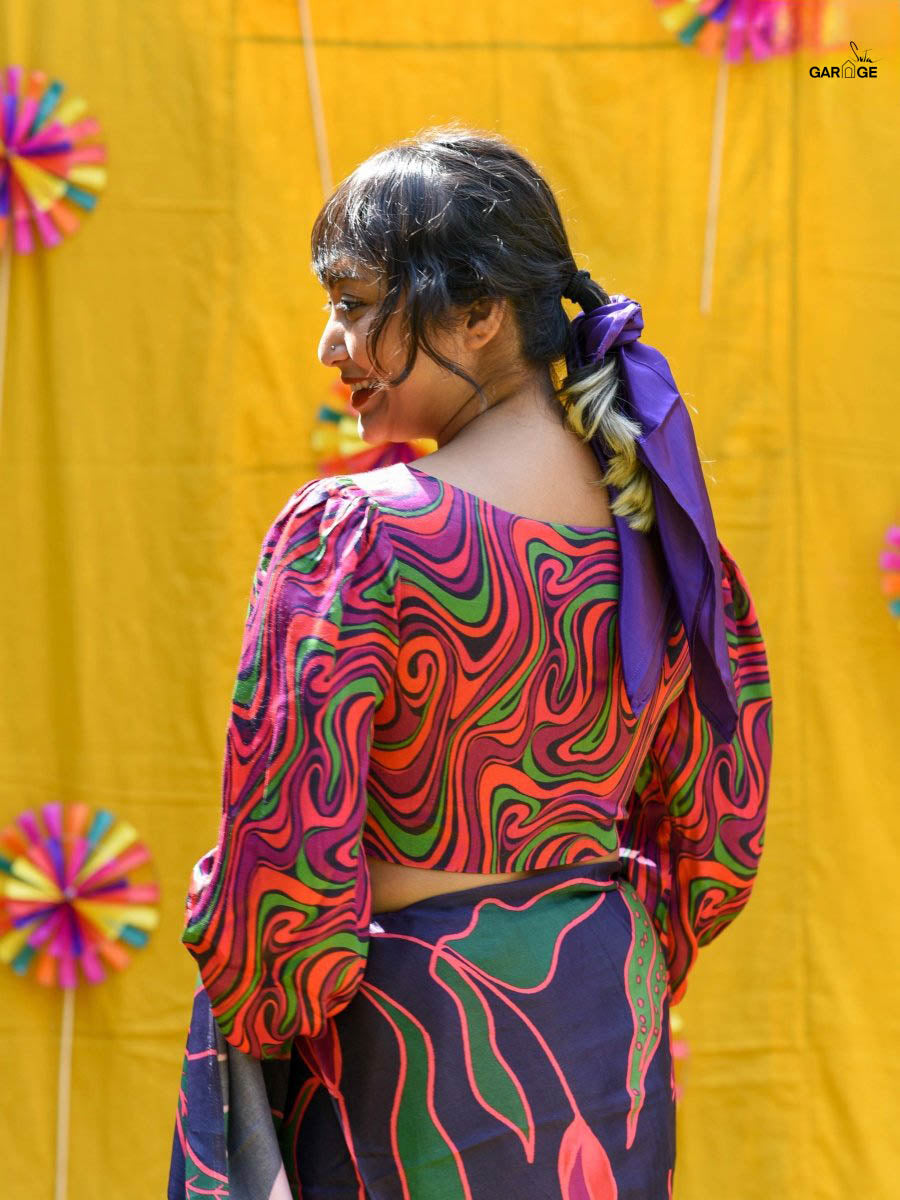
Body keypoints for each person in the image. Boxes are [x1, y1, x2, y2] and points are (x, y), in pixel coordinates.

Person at [168, 124, 773, 1200]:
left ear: (479, 314)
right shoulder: (668, 536)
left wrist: (269, 999)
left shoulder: (361, 534)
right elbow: (718, 839)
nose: (330, 344)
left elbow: (285, 871)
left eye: (355, 303)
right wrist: (603, 961)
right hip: (605, 1027)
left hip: (416, 1045)